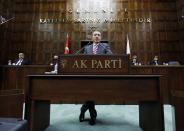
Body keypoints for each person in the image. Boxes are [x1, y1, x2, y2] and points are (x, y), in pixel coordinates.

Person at [79, 31, 113, 125]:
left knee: (91, 96)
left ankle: (83, 111)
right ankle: (93, 116)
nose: (97, 36)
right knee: (90, 96)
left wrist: (106, 50)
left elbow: (111, 56)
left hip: (100, 75)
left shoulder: (105, 46)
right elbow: (83, 61)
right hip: (88, 75)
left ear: (101, 37)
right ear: (92, 37)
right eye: (95, 35)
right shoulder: (87, 48)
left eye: (98, 35)